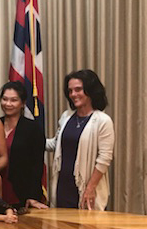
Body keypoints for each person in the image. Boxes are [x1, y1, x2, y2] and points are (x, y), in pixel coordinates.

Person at [46, 69, 114, 210]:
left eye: (78, 90)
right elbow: (55, 144)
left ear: (91, 90)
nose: (73, 94)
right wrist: (30, 137)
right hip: (63, 186)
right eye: (70, 91)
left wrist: (90, 188)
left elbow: (104, 158)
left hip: (85, 188)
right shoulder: (66, 116)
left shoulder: (102, 120)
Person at [0, 81, 48, 209]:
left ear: (23, 103)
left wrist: (32, 196)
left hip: (21, 193)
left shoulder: (33, 129)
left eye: (14, 100)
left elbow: (37, 165)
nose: (8, 104)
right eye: (5, 99)